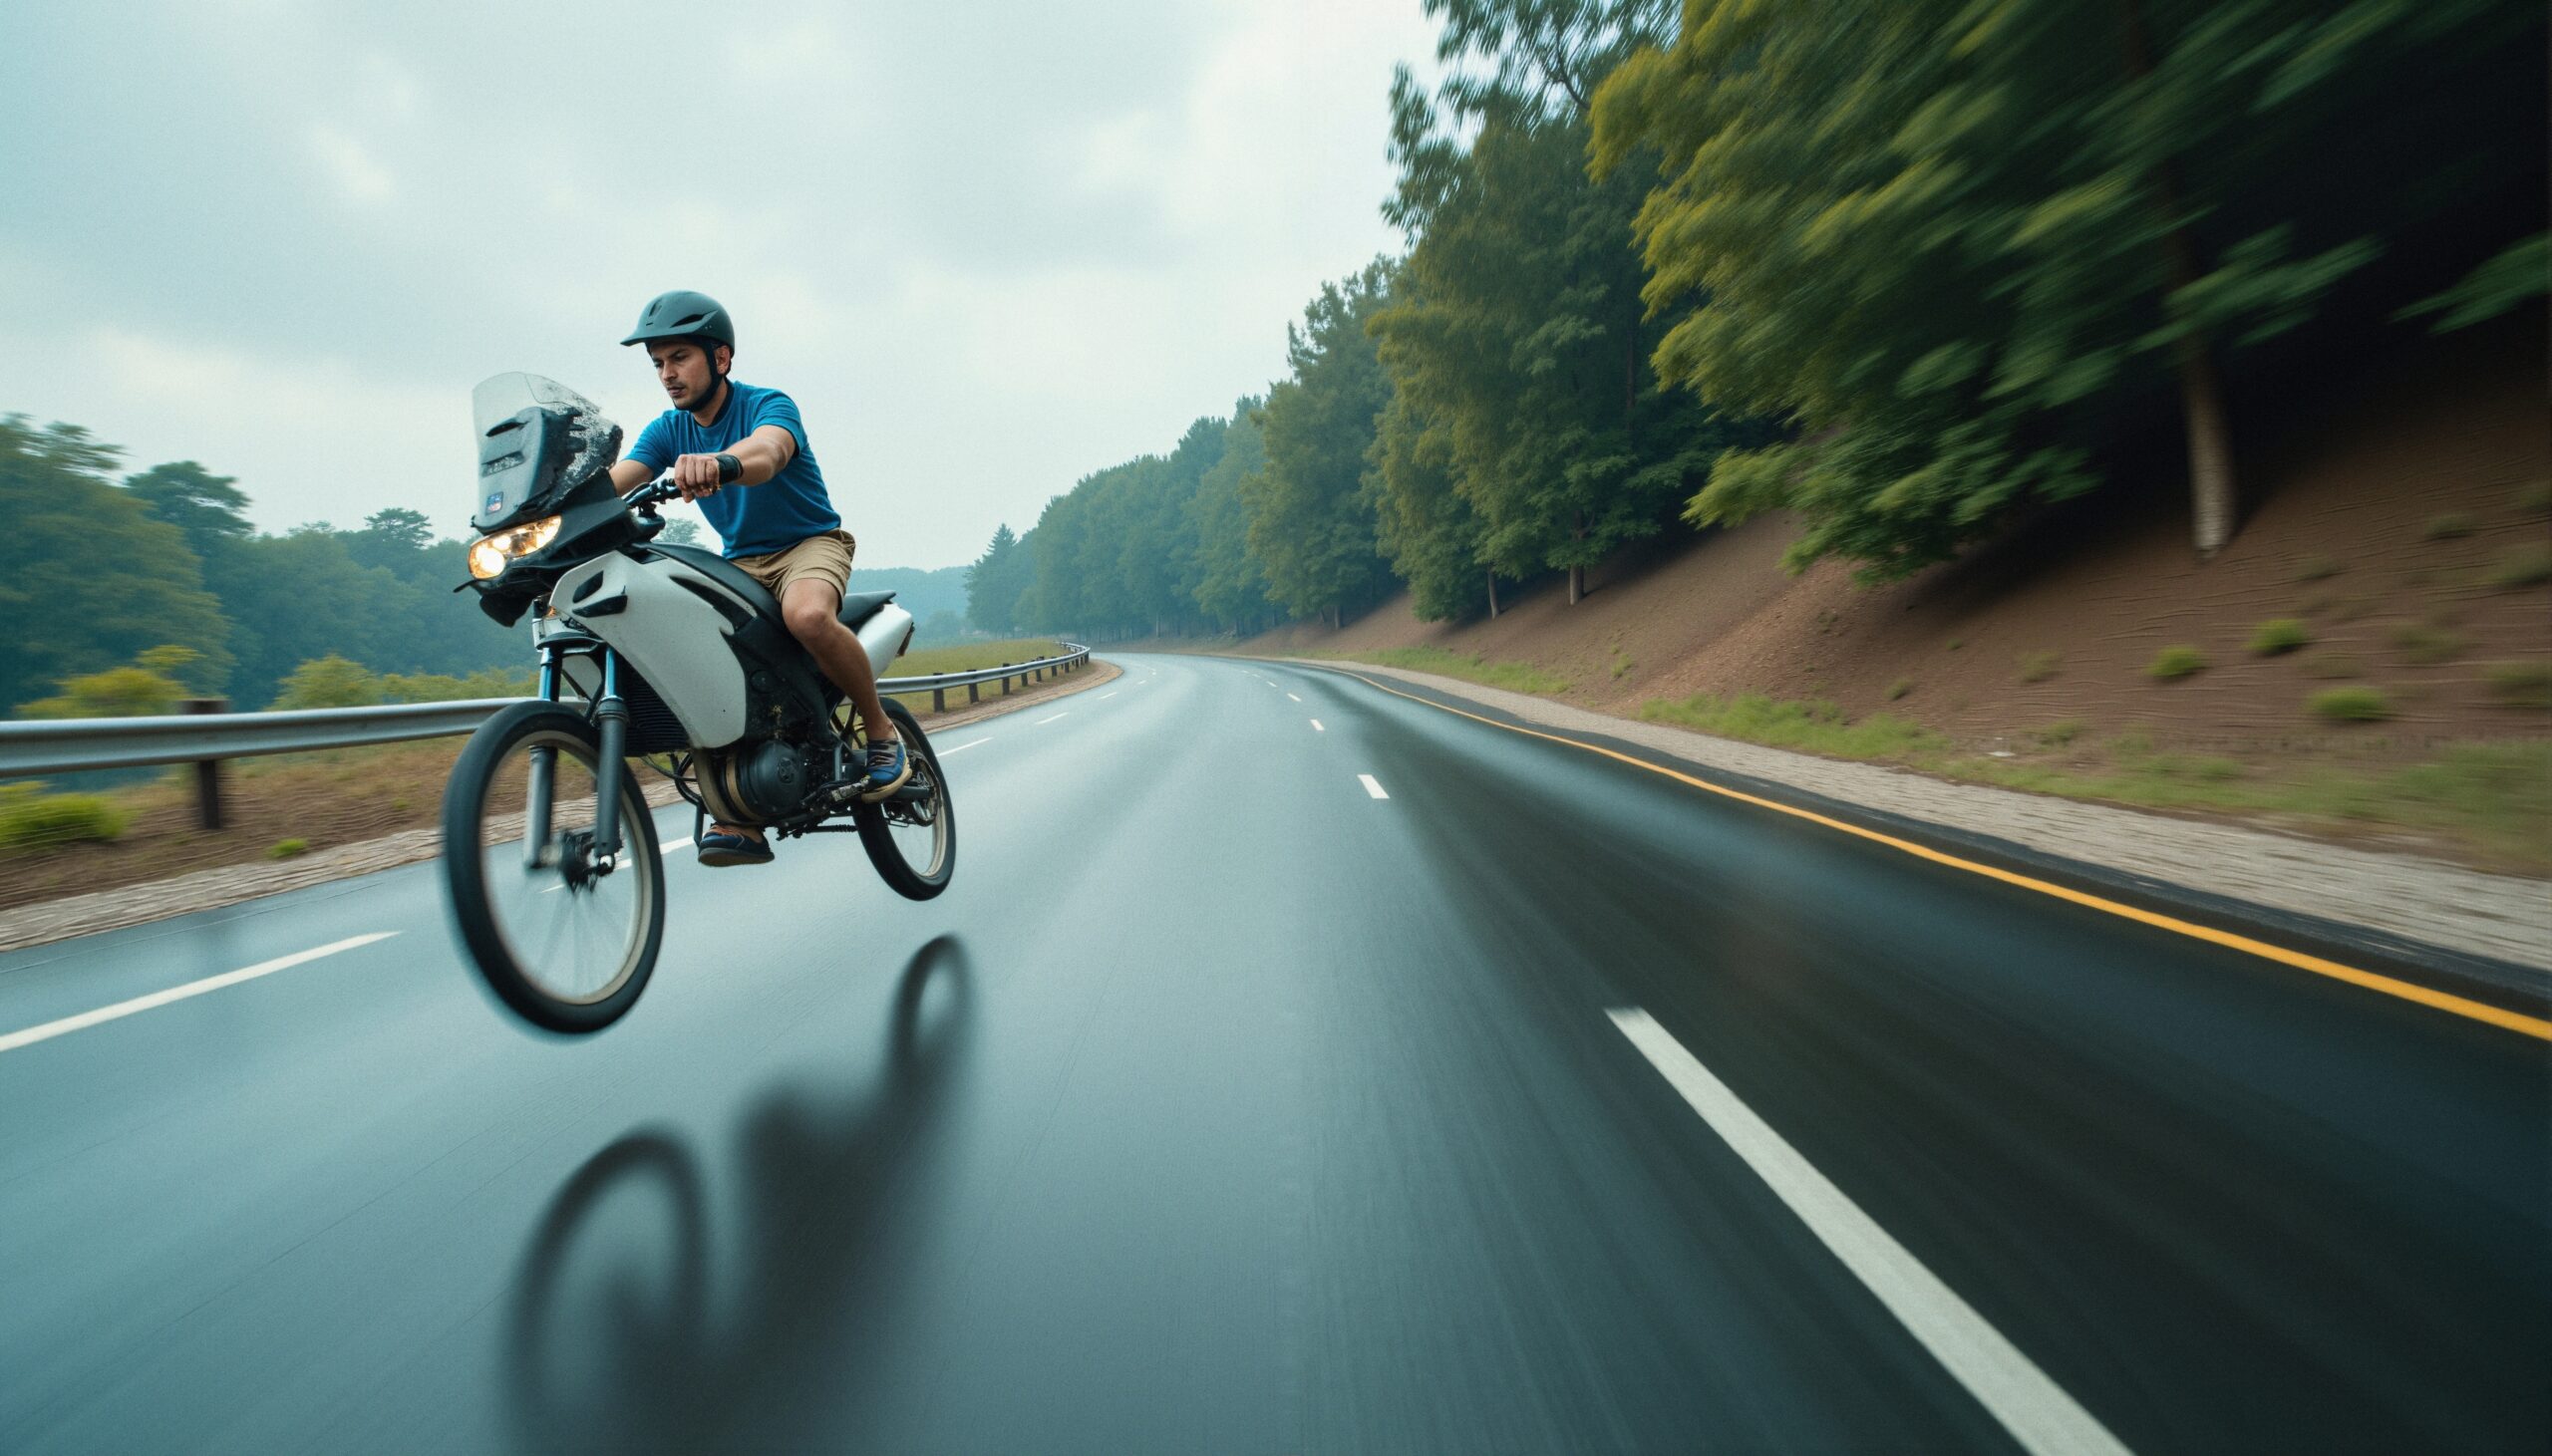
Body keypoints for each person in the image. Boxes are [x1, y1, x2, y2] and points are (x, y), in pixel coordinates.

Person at [605, 289, 909, 867]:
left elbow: (768, 452)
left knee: (808, 616)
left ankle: (880, 731)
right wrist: (542, 516)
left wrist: (722, 462)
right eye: (658, 364)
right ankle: (739, 814)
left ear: (720, 358)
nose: (668, 375)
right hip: (740, 563)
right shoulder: (669, 431)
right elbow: (612, 485)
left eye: (679, 358)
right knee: (696, 663)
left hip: (807, 545)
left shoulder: (768, 403)